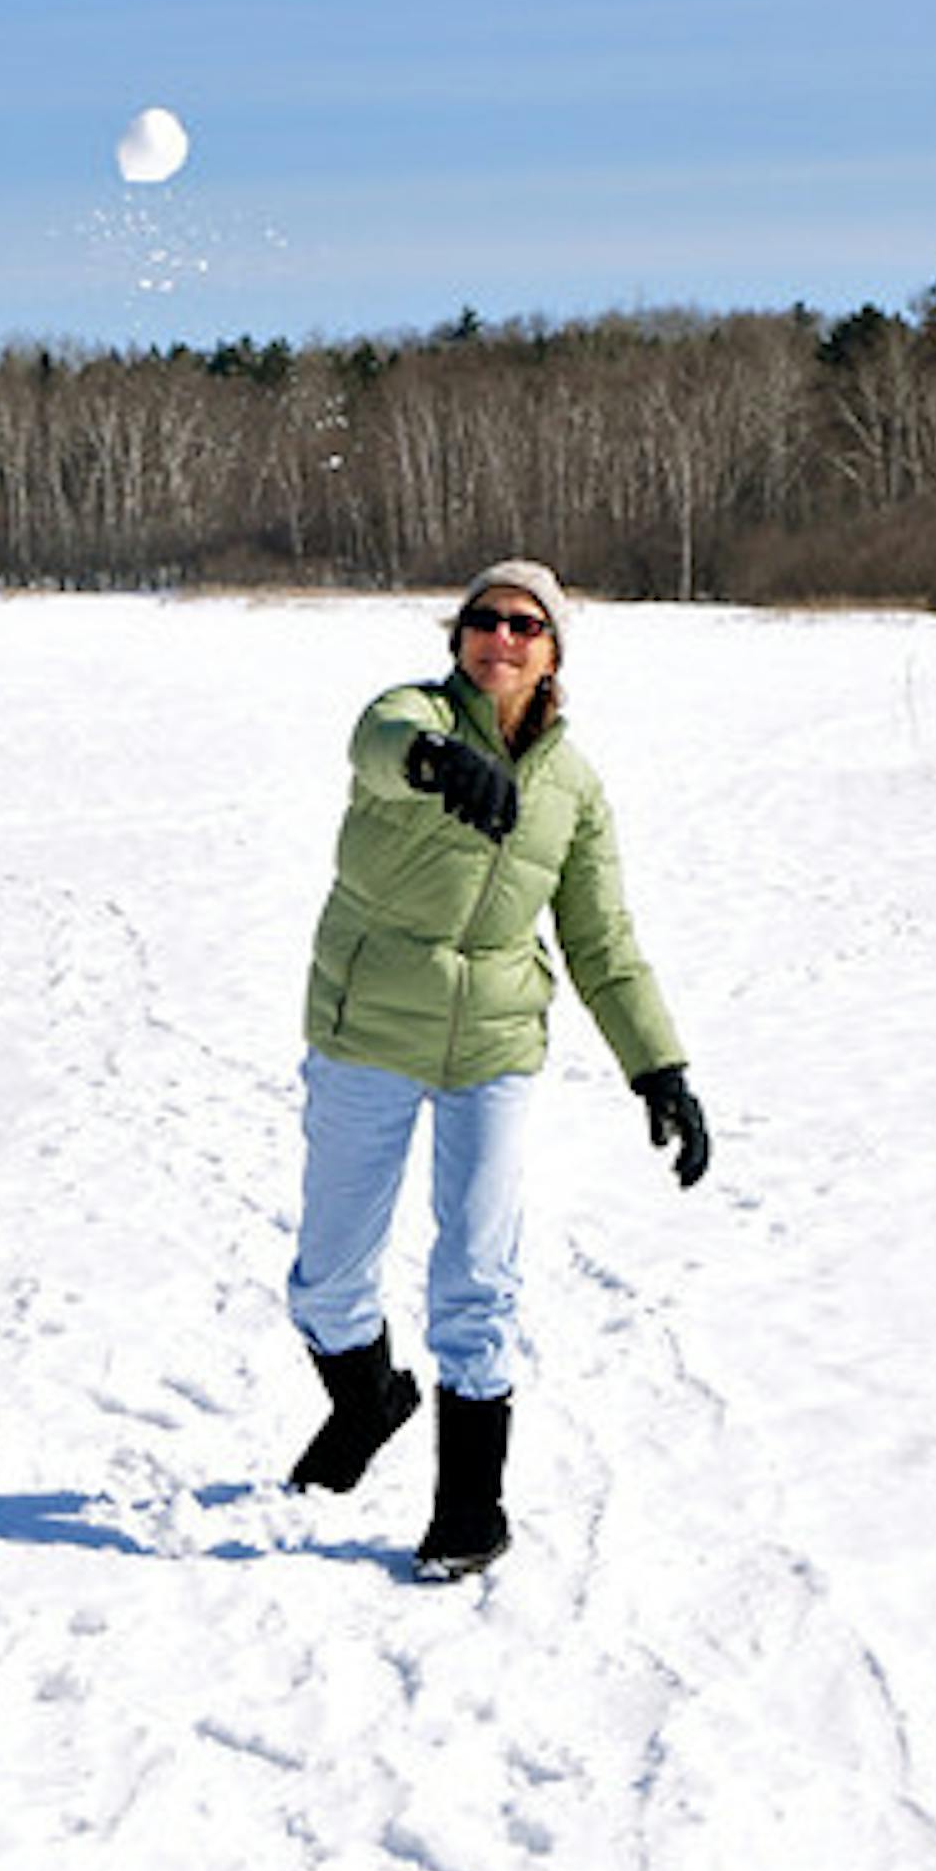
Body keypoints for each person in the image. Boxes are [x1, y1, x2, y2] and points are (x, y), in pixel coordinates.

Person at [286, 558, 708, 1582]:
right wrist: (436, 761)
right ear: (459, 636)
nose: (501, 638)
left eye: (525, 626)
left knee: (477, 1275)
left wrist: (659, 1066)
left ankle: (469, 1509)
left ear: (553, 652)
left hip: (495, 1049)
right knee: (329, 1280)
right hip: (368, 1031)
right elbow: (375, 745)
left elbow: (601, 940)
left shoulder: (573, 788)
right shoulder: (408, 716)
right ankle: (369, 1398)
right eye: (484, 620)